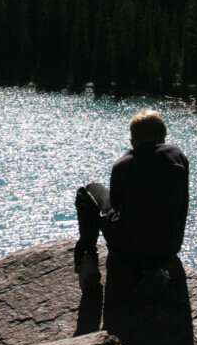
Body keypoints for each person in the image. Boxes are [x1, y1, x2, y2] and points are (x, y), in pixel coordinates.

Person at [74, 110, 189, 293]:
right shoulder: (178, 157)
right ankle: (154, 271)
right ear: (163, 136)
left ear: (133, 141)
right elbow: (183, 204)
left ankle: (88, 258)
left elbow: (117, 206)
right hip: (167, 251)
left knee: (87, 191)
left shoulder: (123, 164)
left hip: (127, 251)